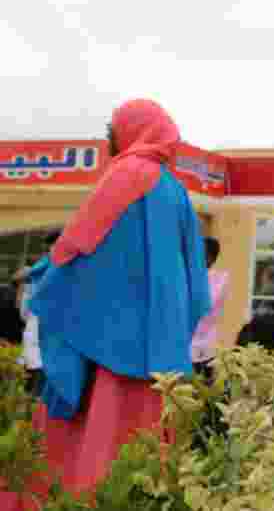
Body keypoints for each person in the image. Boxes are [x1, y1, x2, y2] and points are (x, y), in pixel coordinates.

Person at [27, 99, 211, 496]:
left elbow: (76, 244)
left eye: (113, 127)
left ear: (132, 130)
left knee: (87, 453)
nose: (109, 135)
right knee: (141, 460)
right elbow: (196, 282)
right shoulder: (174, 190)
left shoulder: (126, 174)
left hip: (104, 351)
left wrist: (45, 276)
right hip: (157, 355)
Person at [12, 231, 61, 397]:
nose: (47, 251)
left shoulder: (53, 264)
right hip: (35, 343)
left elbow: (21, 275)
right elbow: (24, 313)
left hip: (45, 345)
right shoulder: (41, 271)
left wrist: (24, 277)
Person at [191, 237, 230, 379]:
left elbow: (202, 306)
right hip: (185, 347)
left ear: (210, 259)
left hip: (203, 347)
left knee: (202, 392)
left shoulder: (218, 280)